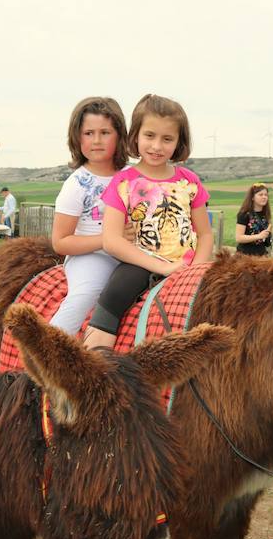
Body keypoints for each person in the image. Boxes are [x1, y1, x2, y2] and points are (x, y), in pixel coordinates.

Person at [86, 94, 212, 351]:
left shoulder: (189, 181)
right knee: (114, 295)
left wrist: (195, 269)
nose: (157, 146)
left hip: (188, 264)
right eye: (150, 136)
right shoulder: (123, 182)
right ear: (136, 136)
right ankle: (95, 357)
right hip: (140, 262)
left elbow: (206, 234)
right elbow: (111, 240)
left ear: (179, 142)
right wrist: (160, 267)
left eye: (167, 139)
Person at [47, 97, 130, 335]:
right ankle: (48, 350)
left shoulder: (132, 175)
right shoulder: (76, 185)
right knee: (86, 293)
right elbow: (61, 242)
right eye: (88, 133)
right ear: (77, 137)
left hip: (133, 252)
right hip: (93, 256)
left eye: (105, 132)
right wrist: (108, 239)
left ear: (119, 135)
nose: (96, 140)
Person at [235, 183, 272, 256]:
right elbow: (239, 238)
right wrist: (259, 236)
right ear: (252, 197)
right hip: (245, 257)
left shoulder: (266, 214)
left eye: (266, 195)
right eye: (260, 195)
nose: (264, 197)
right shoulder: (244, 214)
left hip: (262, 256)